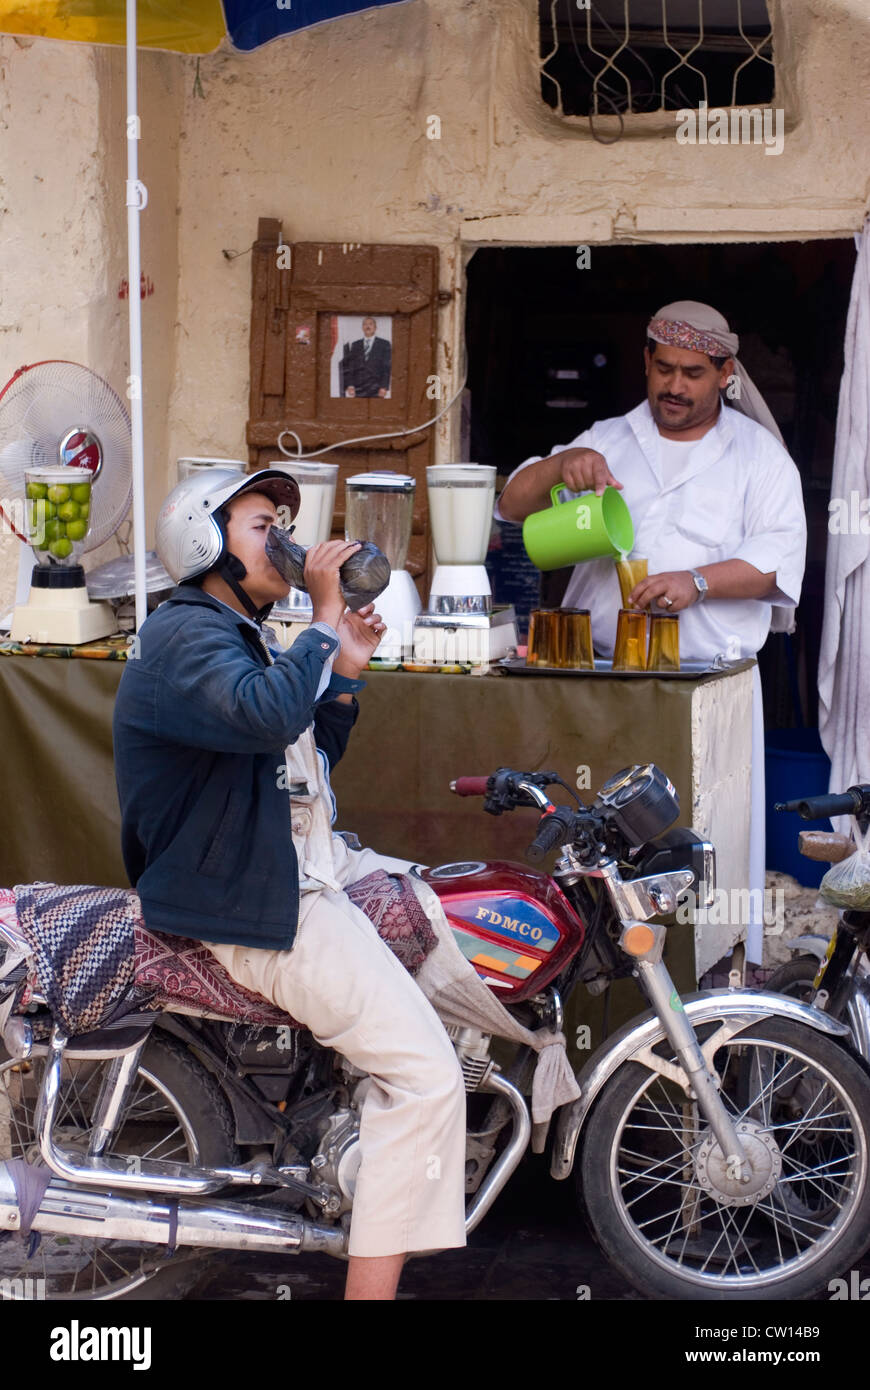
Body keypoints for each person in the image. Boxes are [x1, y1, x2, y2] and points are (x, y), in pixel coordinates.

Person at [112, 467, 467, 1300]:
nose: (283, 538)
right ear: (203, 541)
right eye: (261, 522)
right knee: (424, 1077)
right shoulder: (183, 636)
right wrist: (321, 617)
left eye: (282, 523)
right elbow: (268, 715)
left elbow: (297, 765)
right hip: (259, 904)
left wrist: (344, 673)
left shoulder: (240, 639)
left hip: (301, 874)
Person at [496, 301, 807, 966]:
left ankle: (710, 1002)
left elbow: (778, 558)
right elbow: (512, 503)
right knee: (595, 856)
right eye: (663, 368)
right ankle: (585, 1000)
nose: (674, 385)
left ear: (725, 373)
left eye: (693, 372)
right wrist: (560, 467)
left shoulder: (759, 459)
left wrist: (696, 581)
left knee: (700, 859)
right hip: (603, 682)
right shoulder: (607, 439)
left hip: (710, 691)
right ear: (645, 361)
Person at [342, 316, 392, 398]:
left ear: (375, 328)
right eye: (365, 324)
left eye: (370, 324)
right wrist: (350, 385)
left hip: (377, 387)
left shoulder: (384, 344)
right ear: (362, 327)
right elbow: (351, 366)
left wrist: (384, 387)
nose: (368, 326)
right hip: (359, 388)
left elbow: (386, 367)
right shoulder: (355, 345)